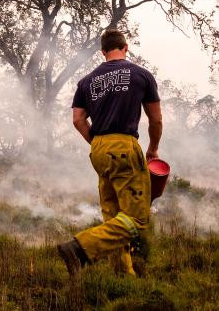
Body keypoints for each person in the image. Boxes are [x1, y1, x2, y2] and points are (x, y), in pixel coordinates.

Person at [57, 29, 162, 278]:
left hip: (99, 149)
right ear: (126, 47)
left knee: (114, 217)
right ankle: (80, 248)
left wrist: (96, 142)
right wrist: (153, 148)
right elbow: (155, 119)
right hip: (124, 146)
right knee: (136, 220)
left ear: (103, 51)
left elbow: (78, 119)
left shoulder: (86, 81)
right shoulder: (141, 75)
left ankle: (123, 275)